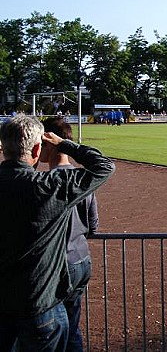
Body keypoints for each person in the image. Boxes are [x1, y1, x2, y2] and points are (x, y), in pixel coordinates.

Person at [0, 115, 115, 352]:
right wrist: (64, 144)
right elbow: (104, 166)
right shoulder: (48, 186)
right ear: (37, 148)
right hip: (40, 305)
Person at [41, 117, 99, 352]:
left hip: (57, 264)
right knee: (73, 329)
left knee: (52, 331)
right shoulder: (83, 178)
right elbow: (93, 224)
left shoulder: (44, 182)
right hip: (81, 259)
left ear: (51, 142)